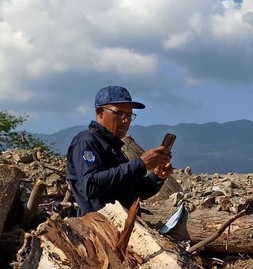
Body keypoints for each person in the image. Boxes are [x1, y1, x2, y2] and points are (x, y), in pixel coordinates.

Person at [66, 85, 173, 215]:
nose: (126, 120)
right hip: (98, 229)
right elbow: (90, 185)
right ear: (100, 112)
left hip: (123, 228)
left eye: (129, 114)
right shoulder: (87, 141)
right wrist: (140, 164)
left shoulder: (114, 149)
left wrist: (157, 177)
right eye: (119, 113)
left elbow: (135, 191)